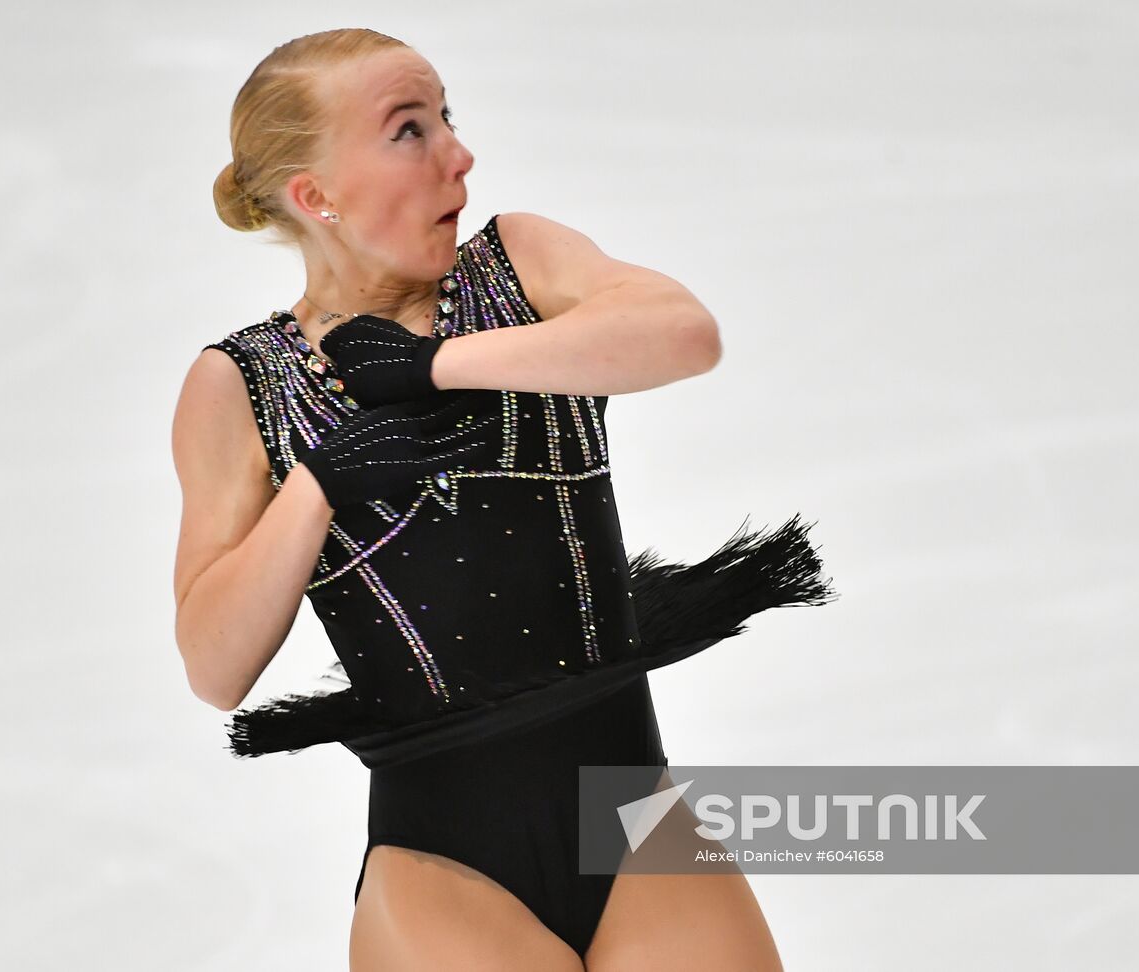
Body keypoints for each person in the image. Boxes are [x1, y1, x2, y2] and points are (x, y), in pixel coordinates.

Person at [172, 28, 833, 971]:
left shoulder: (516, 266)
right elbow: (212, 664)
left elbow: (681, 332)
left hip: (634, 827)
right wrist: (318, 484)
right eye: (409, 130)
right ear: (316, 195)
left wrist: (434, 366)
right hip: (445, 874)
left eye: (448, 116)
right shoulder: (240, 384)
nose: (458, 152)